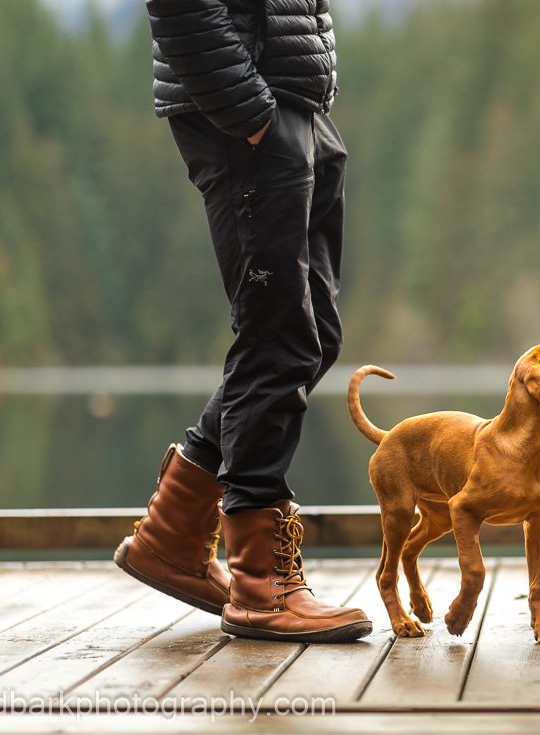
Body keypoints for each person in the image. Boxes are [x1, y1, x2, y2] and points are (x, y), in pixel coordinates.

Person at [112, 0, 372, 644]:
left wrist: (294, 110)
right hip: (249, 110)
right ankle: (261, 587)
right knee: (278, 337)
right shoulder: (250, 117)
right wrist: (250, 115)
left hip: (297, 103)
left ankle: (172, 534)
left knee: (312, 337)